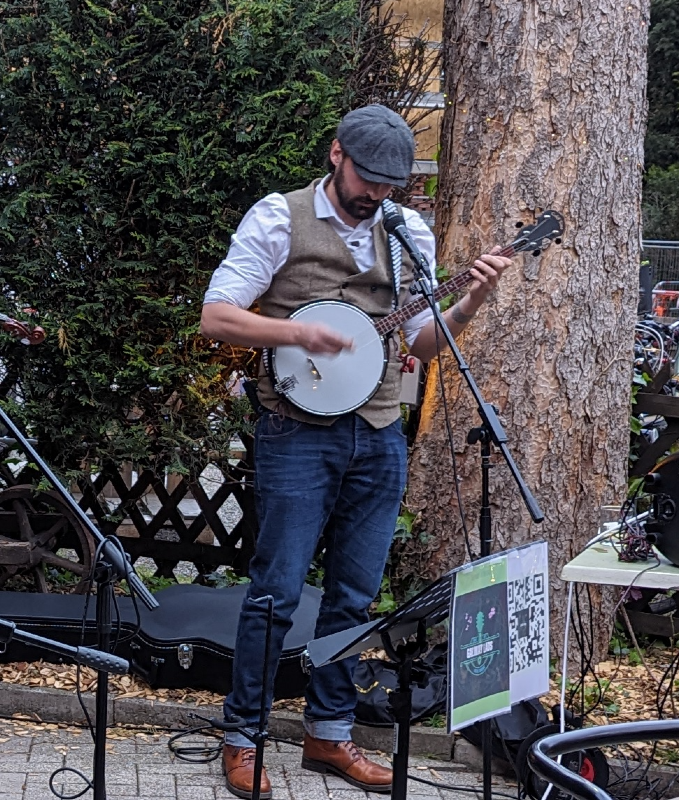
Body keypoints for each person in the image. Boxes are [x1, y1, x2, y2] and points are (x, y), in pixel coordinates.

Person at [197, 105, 512, 798]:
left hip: (376, 432)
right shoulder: (279, 218)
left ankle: (328, 736)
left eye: (389, 187)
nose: (376, 196)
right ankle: (242, 735)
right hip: (294, 430)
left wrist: (468, 307)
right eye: (367, 179)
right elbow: (216, 314)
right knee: (276, 592)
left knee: (356, 596)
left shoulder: (407, 233)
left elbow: (423, 343)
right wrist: (296, 336)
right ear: (336, 154)